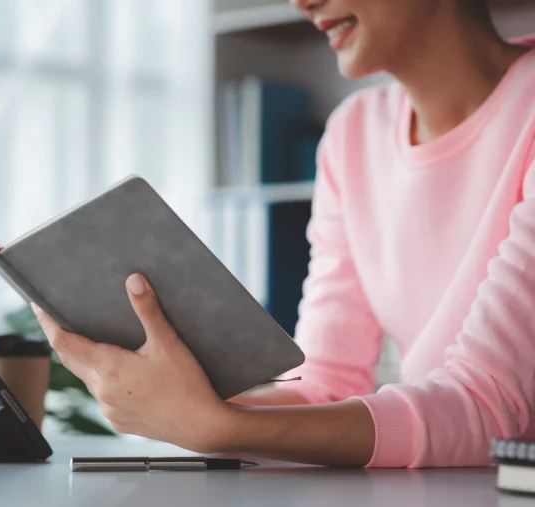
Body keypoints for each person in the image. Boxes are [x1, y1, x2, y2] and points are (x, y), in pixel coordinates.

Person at [32, 0, 535, 468]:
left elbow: (491, 411)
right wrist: (182, 401)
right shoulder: (354, 133)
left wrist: (216, 427)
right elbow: (326, 385)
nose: (301, 2)